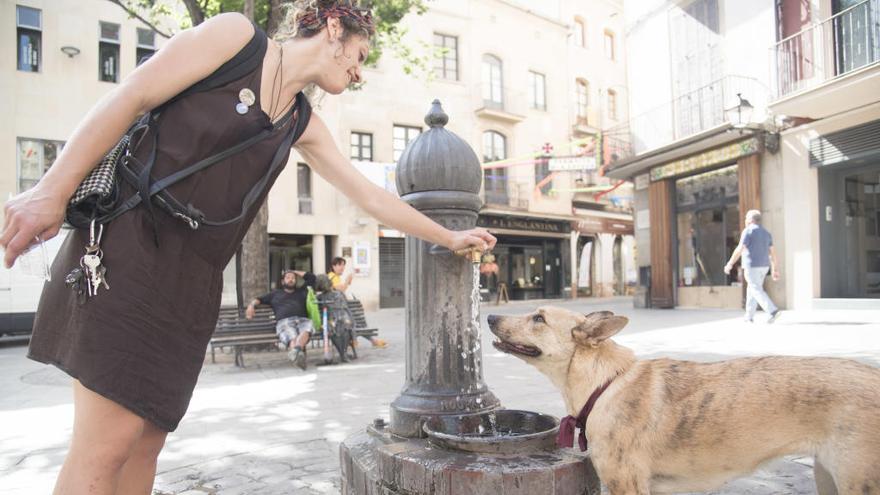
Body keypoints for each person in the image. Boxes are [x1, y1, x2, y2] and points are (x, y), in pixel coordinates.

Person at [0, 2, 496, 493]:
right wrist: (51, 189)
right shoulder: (234, 37)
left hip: (191, 281)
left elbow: (370, 196)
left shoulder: (301, 123)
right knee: (107, 443)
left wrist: (449, 236)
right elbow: (131, 96)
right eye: (359, 54)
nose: (359, 71)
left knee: (146, 440)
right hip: (131, 250)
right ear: (332, 28)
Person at [246, 270, 317, 370]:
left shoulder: (302, 291)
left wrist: (293, 271)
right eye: (288, 277)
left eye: (293, 278)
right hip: (285, 322)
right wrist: (251, 305)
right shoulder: (275, 294)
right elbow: (259, 299)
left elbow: (312, 277)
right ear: (283, 281)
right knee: (292, 336)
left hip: (302, 320)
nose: (291, 279)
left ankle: (295, 352)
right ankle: (298, 352)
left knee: (307, 329)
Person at [724, 209, 781, 323]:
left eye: (746, 218)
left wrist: (730, 263)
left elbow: (740, 249)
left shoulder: (748, 231)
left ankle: (772, 310)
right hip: (764, 266)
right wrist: (775, 269)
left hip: (752, 266)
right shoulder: (766, 233)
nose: (745, 220)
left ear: (750, 220)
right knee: (752, 289)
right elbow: (773, 252)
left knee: (755, 289)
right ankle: (749, 316)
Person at [327, 256, 387, 348]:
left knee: (357, 321)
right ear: (333, 266)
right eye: (339, 265)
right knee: (356, 322)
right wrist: (347, 281)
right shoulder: (332, 276)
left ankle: (371, 340)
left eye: (343, 265)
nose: (342, 267)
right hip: (338, 312)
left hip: (339, 310)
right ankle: (365, 340)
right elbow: (341, 289)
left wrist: (346, 283)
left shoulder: (335, 277)